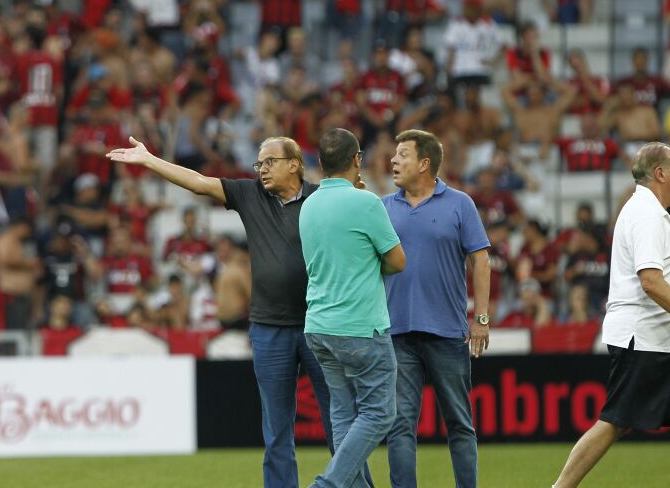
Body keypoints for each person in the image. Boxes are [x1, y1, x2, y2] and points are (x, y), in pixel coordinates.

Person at [106, 135, 340, 488]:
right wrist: (150, 160)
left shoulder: (323, 199)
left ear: (294, 164)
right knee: (277, 432)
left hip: (319, 325)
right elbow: (199, 183)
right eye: (258, 163)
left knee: (340, 424)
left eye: (269, 162)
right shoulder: (250, 195)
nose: (261, 169)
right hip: (269, 329)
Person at [553, 143, 670, 488]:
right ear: (661, 173)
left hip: (652, 335)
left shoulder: (645, 211)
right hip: (643, 336)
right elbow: (650, 281)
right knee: (615, 421)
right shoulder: (648, 216)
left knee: (616, 421)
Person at [383, 129, 492, 488]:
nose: (394, 161)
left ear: (424, 163)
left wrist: (481, 319)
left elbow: (481, 260)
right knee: (400, 426)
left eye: (402, 154)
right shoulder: (383, 206)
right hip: (396, 332)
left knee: (460, 423)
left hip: (447, 331)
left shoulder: (460, 203)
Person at [300, 128, 405, 488]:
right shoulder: (367, 202)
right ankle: (326, 486)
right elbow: (397, 261)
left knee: (343, 415)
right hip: (360, 326)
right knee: (379, 413)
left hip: (318, 326)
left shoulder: (308, 204)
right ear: (357, 160)